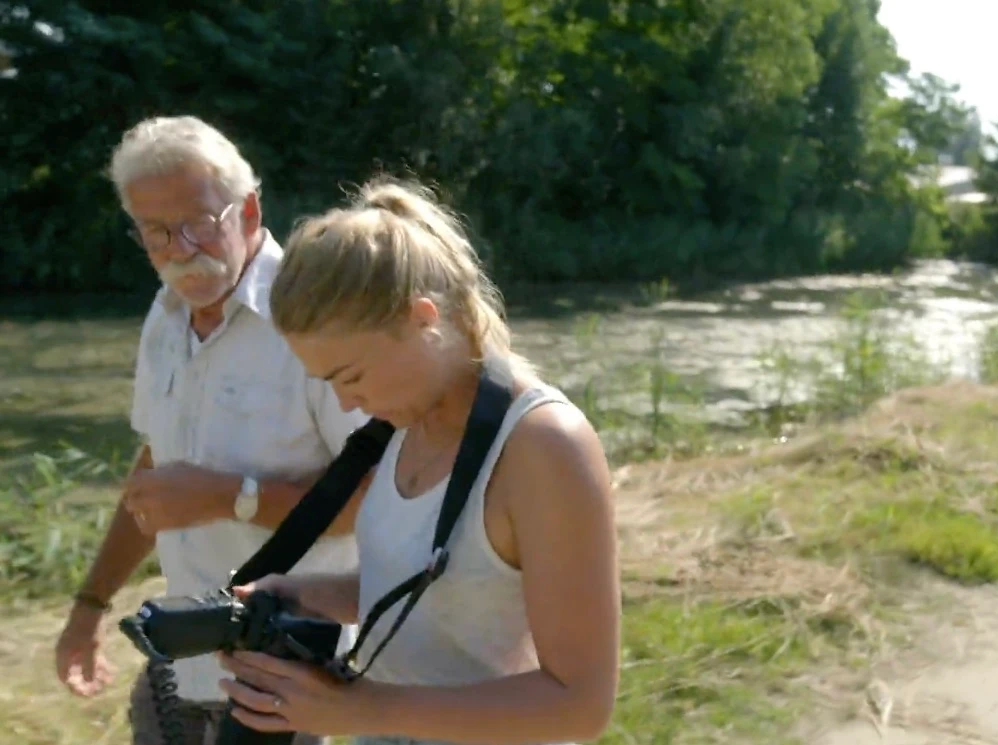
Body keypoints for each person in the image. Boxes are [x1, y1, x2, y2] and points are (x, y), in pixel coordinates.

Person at [213, 177, 620, 745]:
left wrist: (362, 710)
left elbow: (579, 705)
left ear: (421, 317)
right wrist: (300, 594)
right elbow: (445, 586)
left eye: (350, 376)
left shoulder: (543, 446)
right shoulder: (406, 424)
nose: (346, 403)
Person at [52, 115, 371, 745]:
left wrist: (228, 496)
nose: (181, 249)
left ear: (248, 211)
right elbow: (154, 475)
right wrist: (89, 606)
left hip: (301, 675)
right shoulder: (167, 314)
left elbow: (378, 496)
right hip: (182, 662)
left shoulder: (315, 311)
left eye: (200, 222)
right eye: (157, 232)